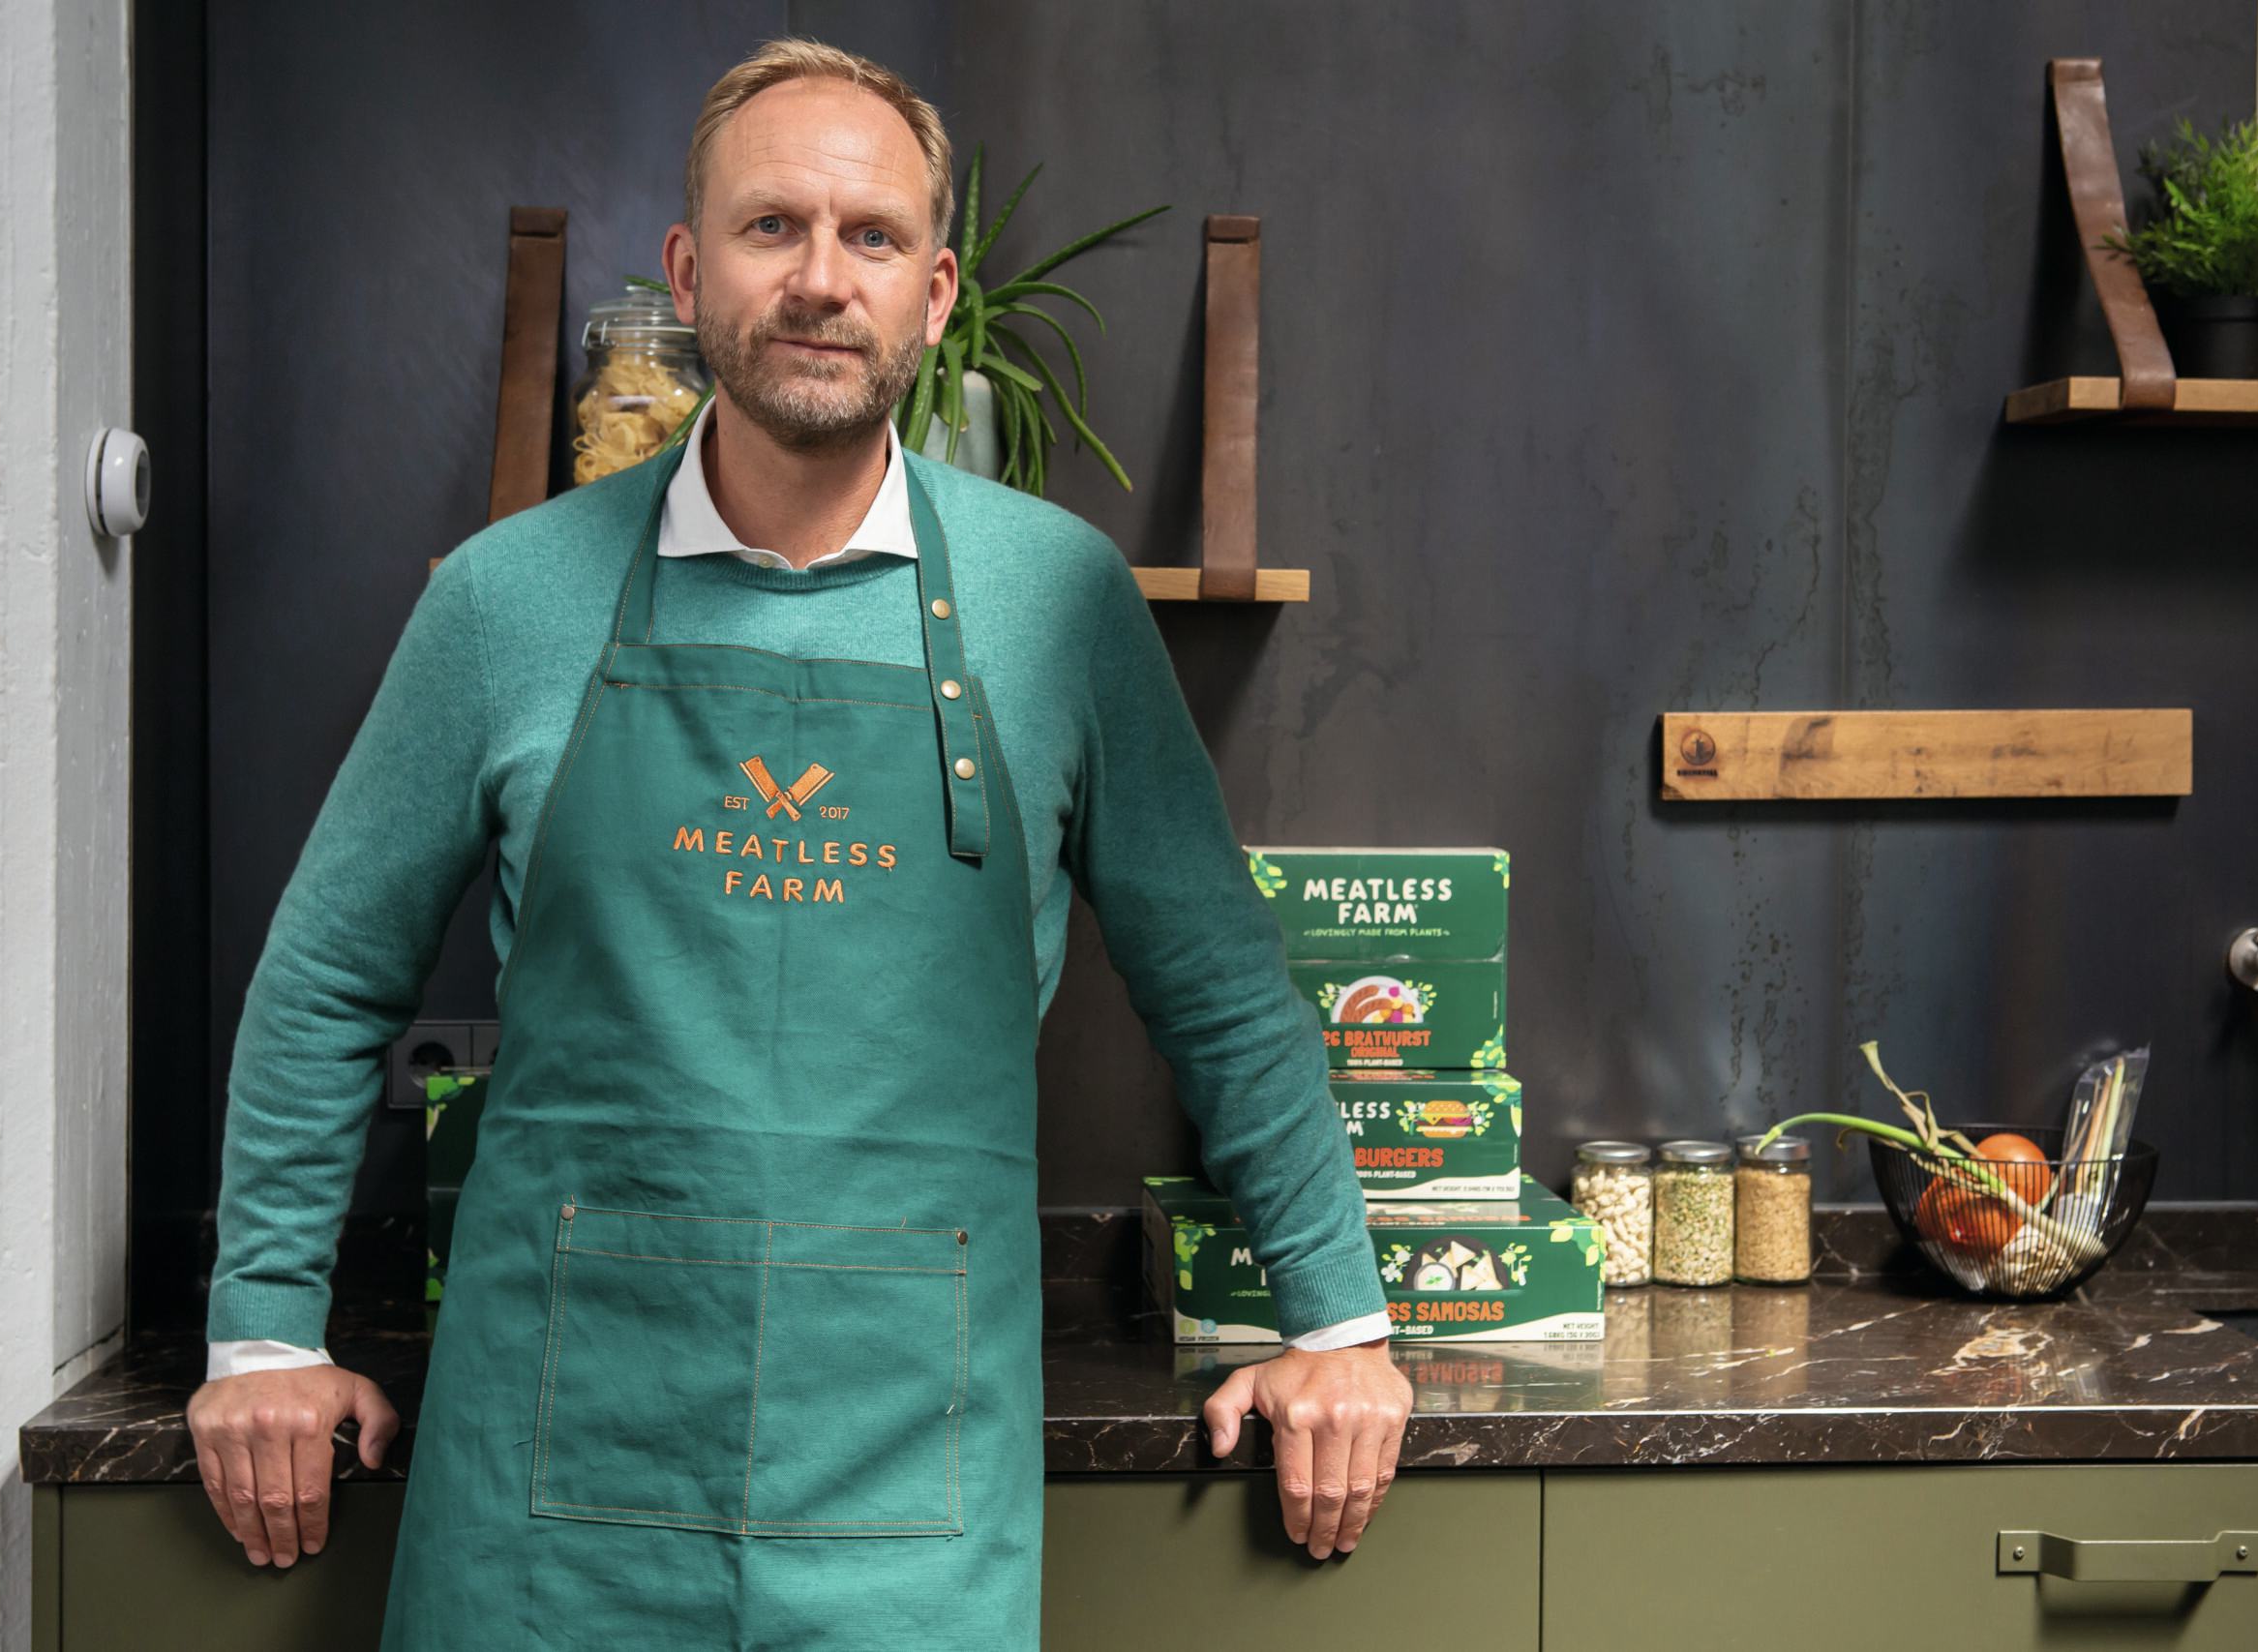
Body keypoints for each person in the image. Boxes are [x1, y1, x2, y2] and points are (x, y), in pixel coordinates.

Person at [185, 36, 1412, 1650]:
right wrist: (264, 1337)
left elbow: (1224, 989)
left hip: (908, 1479)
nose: (822, 279)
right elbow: (329, 976)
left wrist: (1339, 1317)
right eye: (773, 229)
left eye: (872, 237)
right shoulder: (503, 601)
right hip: (553, 1478)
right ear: (691, 273)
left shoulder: (1059, 605)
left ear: (937, 293)